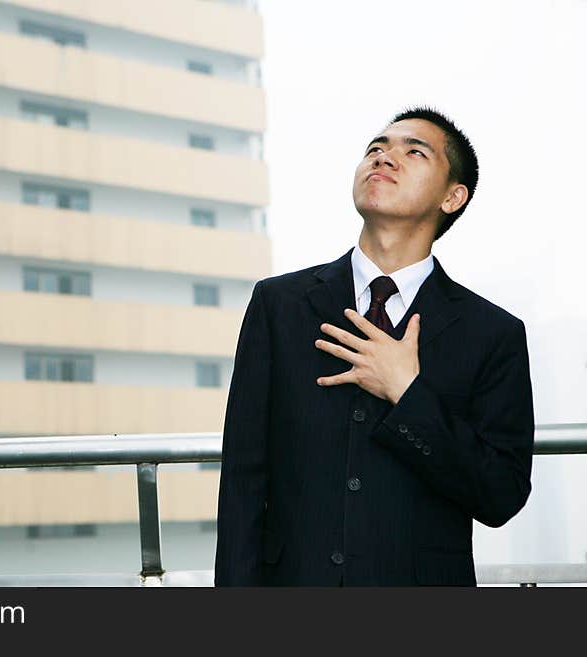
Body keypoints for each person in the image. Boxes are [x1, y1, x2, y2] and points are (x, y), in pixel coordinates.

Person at [214, 107, 535, 586]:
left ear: (453, 197)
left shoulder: (492, 333)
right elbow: (242, 481)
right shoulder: (278, 305)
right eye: (376, 148)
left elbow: (500, 495)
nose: (385, 157)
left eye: (414, 151)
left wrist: (409, 392)